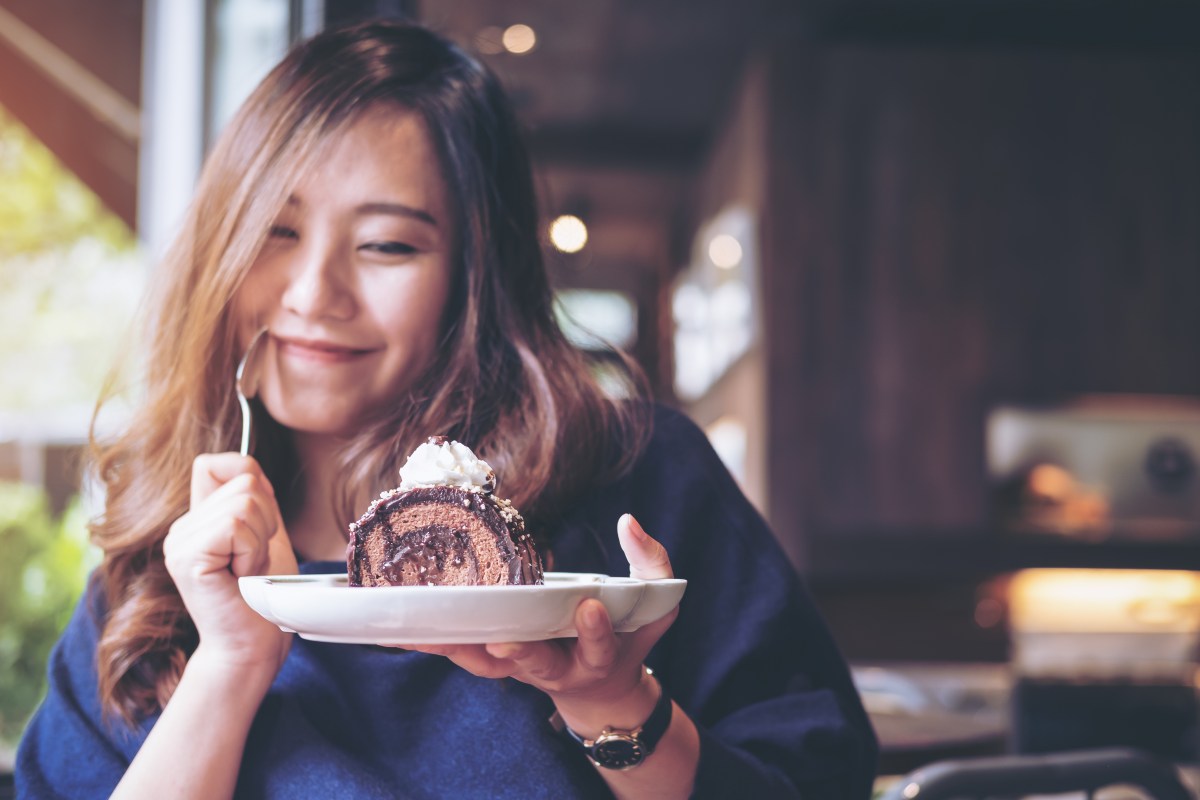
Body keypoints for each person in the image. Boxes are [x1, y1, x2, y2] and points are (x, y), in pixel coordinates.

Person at [16, 19, 877, 799]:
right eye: (276, 232)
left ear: (473, 275)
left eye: (388, 244)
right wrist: (230, 667)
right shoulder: (158, 581)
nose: (315, 294)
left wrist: (613, 704)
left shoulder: (632, 480)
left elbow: (815, 778)